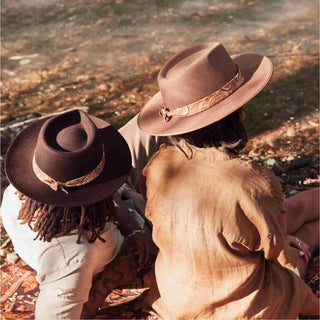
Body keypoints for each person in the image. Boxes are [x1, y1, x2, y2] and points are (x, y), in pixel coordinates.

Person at [137, 42, 319, 319]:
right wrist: (288, 245)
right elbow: (279, 255)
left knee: (290, 213)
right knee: (308, 234)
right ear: (238, 113)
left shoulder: (159, 165)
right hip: (240, 309)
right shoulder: (251, 180)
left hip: (176, 298)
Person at [1, 109, 158, 319]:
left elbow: (111, 197)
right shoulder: (71, 254)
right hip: (144, 215)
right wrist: (109, 279)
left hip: (116, 195)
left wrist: (133, 229)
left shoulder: (18, 193)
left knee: (159, 114)